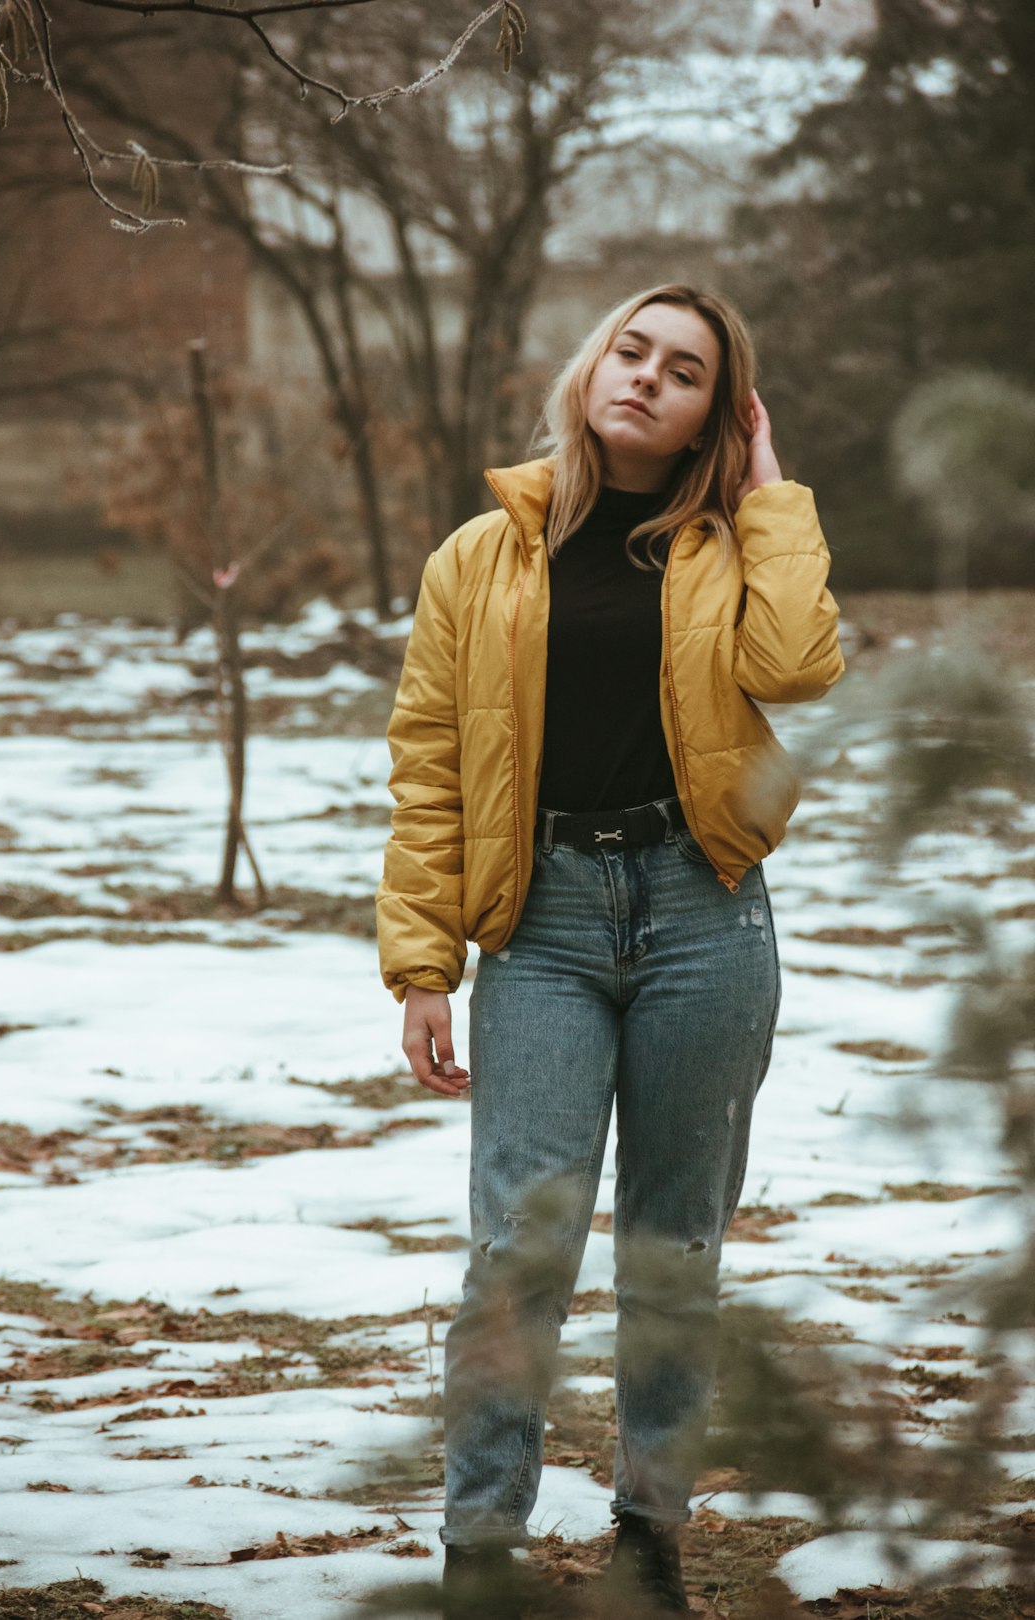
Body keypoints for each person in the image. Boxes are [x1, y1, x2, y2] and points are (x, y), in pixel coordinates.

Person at [375, 282, 845, 1617]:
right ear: (594, 366)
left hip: (707, 914)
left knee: (674, 1244)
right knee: (519, 1247)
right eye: (631, 350)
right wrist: (423, 960)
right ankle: (479, 1547)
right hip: (546, 925)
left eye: (684, 370)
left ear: (714, 413)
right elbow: (427, 764)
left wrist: (771, 490)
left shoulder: (730, 545)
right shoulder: (482, 556)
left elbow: (801, 665)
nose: (645, 377)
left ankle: (651, 1536)